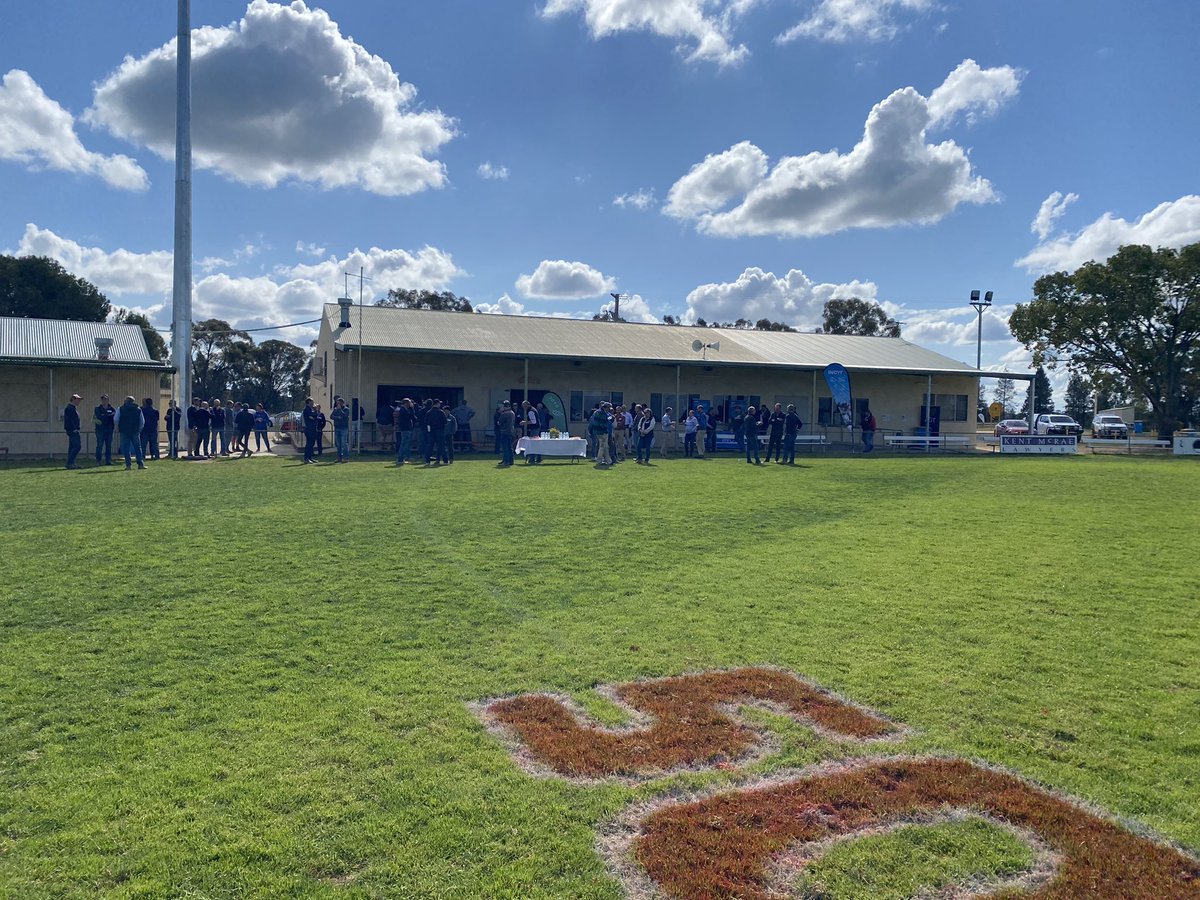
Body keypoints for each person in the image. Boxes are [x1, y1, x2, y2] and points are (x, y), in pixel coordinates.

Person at [114, 395, 146, 469]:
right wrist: (139, 429)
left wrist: (117, 427)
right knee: (138, 448)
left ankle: (128, 465)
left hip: (124, 431)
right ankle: (140, 464)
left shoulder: (120, 409)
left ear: (126, 401)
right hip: (135, 431)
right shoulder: (138, 409)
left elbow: (116, 419)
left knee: (126, 448)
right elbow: (142, 421)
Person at [93, 394, 115, 465]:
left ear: (108, 400)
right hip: (100, 430)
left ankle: (108, 461)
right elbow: (100, 417)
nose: (104, 401)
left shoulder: (112, 408)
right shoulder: (98, 409)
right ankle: (98, 461)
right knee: (99, 445)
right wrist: (109, 415)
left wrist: (106, 415)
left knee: (108, 446)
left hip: (109, 430)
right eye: (103, 399)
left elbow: (114, 417)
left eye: (105, 399)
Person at [63, 393, 83, 469]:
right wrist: (74, 429)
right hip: (73, 430)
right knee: (77, 446)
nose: (79, 402)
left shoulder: (72, 408)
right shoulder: (70, 408)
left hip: (73, 430)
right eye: (78, 400)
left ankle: (71, 463)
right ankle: (70, 462)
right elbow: (70, 420)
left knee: (72, 447)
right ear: (73, 400)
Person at [425, 400, 447, 465]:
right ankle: (444, 460)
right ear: (437, 404)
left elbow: (426, 422)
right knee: (441, 445)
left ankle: (427, 461)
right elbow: (445, 422)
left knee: (430, 446)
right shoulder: (441, 412)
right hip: (440, 430)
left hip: (431, 431)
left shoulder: (428, 412)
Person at [395, 398, 416, 465]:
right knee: (404, 444)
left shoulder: (404, 409)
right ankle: (400, 458)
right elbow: (411, 416)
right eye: (409, 403)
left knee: (405, 443)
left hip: (406, 428)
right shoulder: (403, 410)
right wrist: (412, 409)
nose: (411, 404)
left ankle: (403, 458)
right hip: (405, 428)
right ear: (406, 403)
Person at [331, 397, 350, 463]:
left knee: (344, 443)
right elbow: (331, 416)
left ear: (342, 403)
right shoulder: (335, 409)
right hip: (337, 427)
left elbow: (344, 416)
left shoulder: (346, 409)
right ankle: (339, 458)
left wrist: (340, 410)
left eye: (339, 403)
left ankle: (346, 458)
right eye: (337, 403)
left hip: (344, 428)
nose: (337, 404)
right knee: (338, 444)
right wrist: (338, 417)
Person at [497, 400, 516, 466]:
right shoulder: (512, 413)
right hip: (511, 431)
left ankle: (506, 461)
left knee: (505, 447)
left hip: (504, 431)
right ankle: (511, 461)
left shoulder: (504, 414)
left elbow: (499, 422)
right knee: (510, 447)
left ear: (504, 406)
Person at [522, 400, 541, 464]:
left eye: (524, 406)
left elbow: (533, 422)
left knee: (533, 444)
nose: (523, 407)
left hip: (534, 429)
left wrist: (524, 422)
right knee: (536, 444)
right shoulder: (533, 409)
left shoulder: (530, 411)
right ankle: (539, 458)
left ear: (527, 405)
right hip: (537, 428)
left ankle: (532, 459)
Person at [301, 397, 318, 464]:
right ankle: (306, 458)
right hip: (309, 429)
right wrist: (315, 412)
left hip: (313, 428)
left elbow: (314, 417)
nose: (313, 403)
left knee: (312, 443)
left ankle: (310, 457)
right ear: (308, 402)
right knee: (309, 444)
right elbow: (312, 417)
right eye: (312, 402)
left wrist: (314, 416)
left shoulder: (311, 409)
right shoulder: (306, 410)